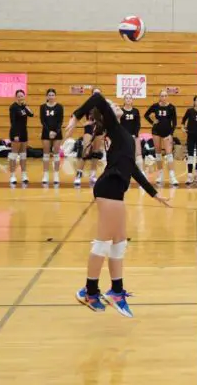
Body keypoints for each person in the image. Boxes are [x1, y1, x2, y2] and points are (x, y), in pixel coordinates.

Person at [64, 91, 170, 316]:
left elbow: (132, 168)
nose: (115, 104)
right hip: (109, 187)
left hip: (115, 189)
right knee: (102, 243)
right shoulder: (113, 127)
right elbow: (97, 97)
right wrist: (76, 116)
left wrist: (154, 193)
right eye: (112, 105)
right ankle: (89, 292)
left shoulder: (123, 134)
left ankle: (116, 290)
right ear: (108, 114)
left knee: (119, 243)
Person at [145, 89, 178, 187]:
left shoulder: (171, 107)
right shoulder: (155, 106)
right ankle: (160, 174)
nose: (163, 97)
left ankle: (172, 177)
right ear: (159, 97)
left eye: (165, 96)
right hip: (156, 132)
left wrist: (171, 134)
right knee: (158, 153)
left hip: (167, 132)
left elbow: (174, 122)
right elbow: (146, 115)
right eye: (162, 96)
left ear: (167, 97)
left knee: (169, 154)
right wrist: (152, 122)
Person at [8, 90, 34, 186]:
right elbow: (13, 121)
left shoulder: (24, 106)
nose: (20, 97)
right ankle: (12, 175)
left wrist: (25, 106)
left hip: (24, 132)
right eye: (18, 96)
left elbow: (31, 114)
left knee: (23, 155)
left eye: (22, 96)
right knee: (14, 155)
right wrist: (15, 134)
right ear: (16, 97)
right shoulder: (13, 107)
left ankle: (24, 175)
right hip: (16, 132)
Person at [40, 88, 64, 186]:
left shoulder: (59, 107)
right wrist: (49, 131)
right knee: (46, 154)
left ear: (55, 96)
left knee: (56, 154)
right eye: (49, 95)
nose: (51, 97)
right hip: (46, 132)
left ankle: (56, 175)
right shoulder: (42, 107)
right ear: (47, 96)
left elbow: (60, 121)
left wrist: (55, 131)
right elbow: (42, 121)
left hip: (57, 133)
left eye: (52, 95)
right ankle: (45, 175)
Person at [182, 96, 197, 186]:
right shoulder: (190, 111)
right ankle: (189, 175)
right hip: (191, 136)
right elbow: (183, 120)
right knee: (190, 155)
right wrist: (182, 128)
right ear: (194, 102)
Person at [118, 95, 142, 171]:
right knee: (123, 154)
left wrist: (136, 134)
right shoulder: (120, 111)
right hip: (123, 137)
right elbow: (118, 124)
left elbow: (138, 123)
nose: (128, 99)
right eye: (126, 98)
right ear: (124, 100)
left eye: (130, 98)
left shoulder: (136, 111)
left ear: (132, 100)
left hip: (134, 136)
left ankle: (141, 172)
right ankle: (123, 171)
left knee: (137, 154)